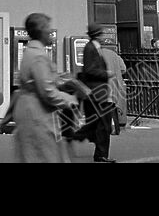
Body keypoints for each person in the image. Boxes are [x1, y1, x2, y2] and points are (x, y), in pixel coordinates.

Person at [13, 13, 77, 163]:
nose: (50, 31)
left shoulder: (31, 52)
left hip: (29, 111)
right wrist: (70, 100)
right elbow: (47, 92)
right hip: (37, 114)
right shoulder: (39, 56)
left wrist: (60, 81)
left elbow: (40, 81)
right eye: (48, 27)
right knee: (45, 155)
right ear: (41, 30)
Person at [79, 21, 118, 162]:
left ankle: (100, 153)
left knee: (100, 124)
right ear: (96, 35)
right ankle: (101, 154)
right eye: (101, 34)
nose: (103, 37)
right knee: (103, 125)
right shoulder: (90, 48)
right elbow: (89, 70)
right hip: (97, 92)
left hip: (99, 92)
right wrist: (106, 74)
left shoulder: (96, 47)